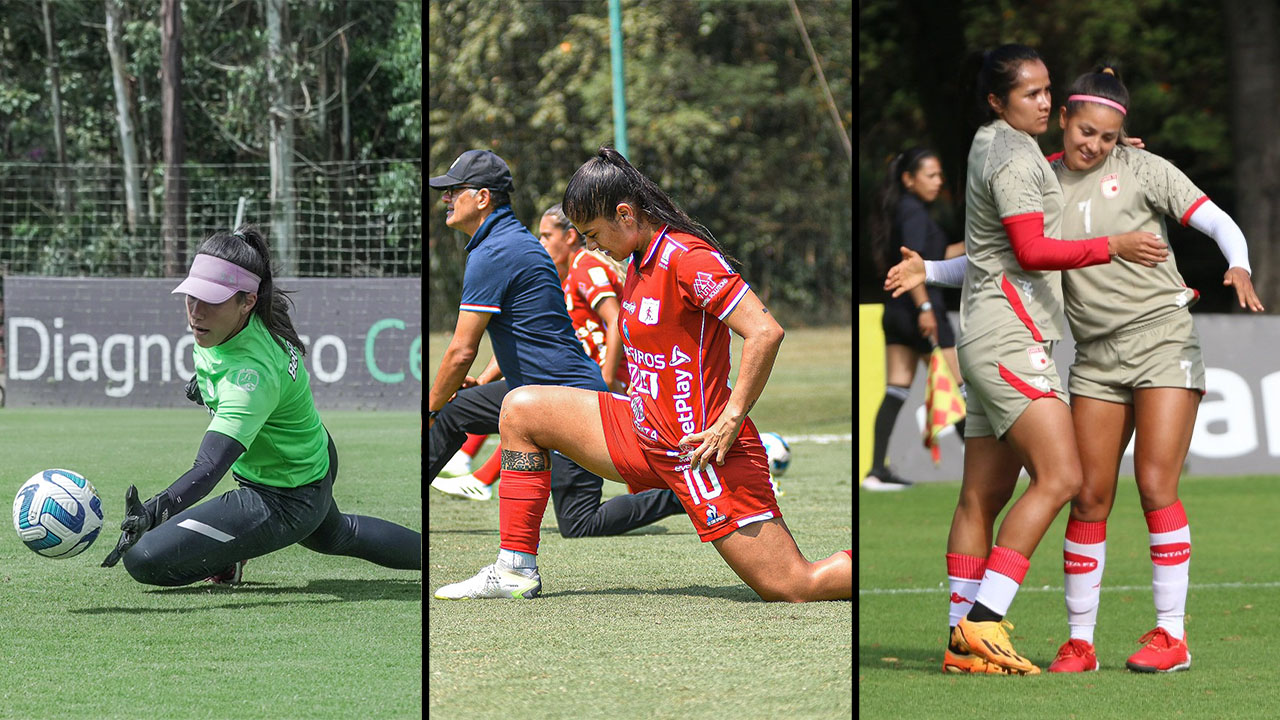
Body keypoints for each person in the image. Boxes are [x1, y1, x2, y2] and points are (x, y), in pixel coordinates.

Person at [888, 66, 1263, 674]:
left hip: (1163, 340)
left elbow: (1216, 220)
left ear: (1123, 137)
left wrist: (1239, 264)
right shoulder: (1041, 180)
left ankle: (1171, 637)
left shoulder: (1144, 168)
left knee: (1154, 486)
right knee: (1087, 495)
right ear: (1064, 119)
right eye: (1087, 131)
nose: (1096, 145)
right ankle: (1079, 643)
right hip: (1093, 357)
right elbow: (1005, 260)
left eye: (1109, 137)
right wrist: (928, 270)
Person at [434, 146, 852, 603]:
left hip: (698, 452)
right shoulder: (636, 261)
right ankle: (515, 570)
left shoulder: (687, 257)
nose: (591, 247)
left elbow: (765, 332)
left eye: (593, 233)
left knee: (795, 586)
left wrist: (731, 418)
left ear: (626, 215)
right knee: (521, 408)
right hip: (639, 431)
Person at [99, 226, 422, 585]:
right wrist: (207, 388)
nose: (196, 311)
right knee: (338, 534)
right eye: (192, 296)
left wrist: (152, 513)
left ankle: (225, 557)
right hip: (310, 460)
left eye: (212, 299)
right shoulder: (234, 327)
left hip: (285, 494)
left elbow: (209, 467)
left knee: (144, 558)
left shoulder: (250, 376)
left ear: (247, 302)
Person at [427, 150, 684, 538]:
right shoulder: (514, 244)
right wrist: (480, 383)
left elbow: (461, 350)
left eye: (453, 191)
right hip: (534, 391)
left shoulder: (497, 251)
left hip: (569, 398)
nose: (445, 199)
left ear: (482, 198)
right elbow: (526, 333)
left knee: (579, 524)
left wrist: (429, 407)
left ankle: (682, 495)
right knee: (456, 411)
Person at [442, 203, 631, 497]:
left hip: (606, 381)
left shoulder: (585, 266)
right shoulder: (562, 275)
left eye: (545, 235)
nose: (540, 243)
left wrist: (608, 377)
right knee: (518, 401)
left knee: (529, 413)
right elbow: (522, 344)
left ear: (569, 237)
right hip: (579, 377)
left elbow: (616, 318)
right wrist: (482, 379)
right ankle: (468, 462)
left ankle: (482, 478)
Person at [864, 147, 966, 491]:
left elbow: (933, 258)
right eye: (931, 175)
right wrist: (925, 309)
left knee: (896, 388)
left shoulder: (906, 210)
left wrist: (978, 244)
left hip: (896, 312)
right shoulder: (914, 214)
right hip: (923, 311)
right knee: (961, 386)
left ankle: (877, 471)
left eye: (940, 175)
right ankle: (993, 465)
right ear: (909, 179)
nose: (939, 182)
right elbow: (914, 268)